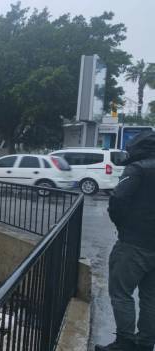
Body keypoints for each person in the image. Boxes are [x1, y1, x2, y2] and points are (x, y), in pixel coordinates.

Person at [97, 131, 155, 351]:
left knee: (121, 292)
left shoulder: (138, 169)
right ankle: (146, 343)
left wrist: (124, 227)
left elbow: (118, 200)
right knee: (151, 296)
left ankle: (125, 343)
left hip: (133, 243)